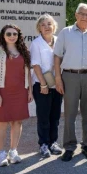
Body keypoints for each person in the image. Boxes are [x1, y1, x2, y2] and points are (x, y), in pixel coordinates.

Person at [54, 3, 87, 161]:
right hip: (70, 76)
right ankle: (69, 146)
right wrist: (58, 78)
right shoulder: (65, 32)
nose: (84, 16)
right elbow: (57, 56)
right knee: (70, 113)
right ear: (75, 15)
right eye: (81, 13)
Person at [0, 24, 32, 166]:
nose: (12, 36)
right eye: (9, 34)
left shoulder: (24, 51)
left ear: (18, 36)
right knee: (2, 123)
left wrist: (30, 91)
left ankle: (13, 151)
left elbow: (28, 73)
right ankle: (1, 153)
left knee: (17, 122)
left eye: (15, 34)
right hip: (3, 91)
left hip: (21, 91)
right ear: (3, 36)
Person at [30, 14, 63, 158]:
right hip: (41, 84)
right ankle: (43, 144)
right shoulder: (36, 43)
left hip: (57, 83)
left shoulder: (59, 41)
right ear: (39, 28)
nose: (46, 27)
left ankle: (53, 142)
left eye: (49, 24)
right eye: (43, 25)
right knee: (43, 116)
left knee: (55, 115)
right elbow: (36, 65)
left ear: (54, 26)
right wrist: (43, 84)